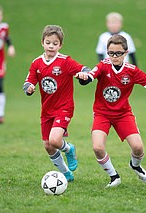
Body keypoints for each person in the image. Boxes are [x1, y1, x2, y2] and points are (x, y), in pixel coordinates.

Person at [78, 34, 146, 188]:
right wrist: (82, 78)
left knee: (138, 147)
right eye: (111, 53)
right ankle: (114, 177)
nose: (114, 56)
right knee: (97, 147)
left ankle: (135, 165)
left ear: (126, 53)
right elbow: (89, 78)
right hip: (102, 113)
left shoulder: (132, 70)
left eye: (118, 53)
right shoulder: (102, 66)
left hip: (123, 114)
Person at [22, 25, 90, 182]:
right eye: (48, 42)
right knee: (48, 145)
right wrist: (30, 88)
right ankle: (66, 173)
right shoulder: (36, 63)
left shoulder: (65, 61)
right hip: (47, 110)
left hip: (64, 107)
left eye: (55, 43)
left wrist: (83, 74)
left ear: (60, 45)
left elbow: (85, 69)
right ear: (42, 43)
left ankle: (70, 149)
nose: (51, 46)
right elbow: (28, 81)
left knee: (54, 140)